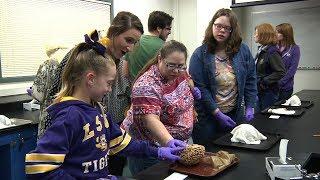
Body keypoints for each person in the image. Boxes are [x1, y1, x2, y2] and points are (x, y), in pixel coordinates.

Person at [25, 38, 184, 179]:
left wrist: (158, 151)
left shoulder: (98, 112)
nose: (110, 90)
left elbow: (123, 143)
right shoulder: (69, 116)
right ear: (91, 79)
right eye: (109, 83)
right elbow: (39, 169)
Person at [39, 11, 144, 176]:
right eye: (128, 40)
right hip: (75, 133)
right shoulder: (84, 56)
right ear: (114, 32)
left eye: (135, 43)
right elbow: (55, 96)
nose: (130, 48)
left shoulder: (121, 63)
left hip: (104, 133)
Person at [121, 40, 198, 176]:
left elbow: (185, 87)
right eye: (171, 65)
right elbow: (151, 119)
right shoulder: (147, 83)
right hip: (152, 150)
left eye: (181, 66)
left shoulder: (180, 72)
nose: (176, 70)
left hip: (174, 145)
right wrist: (169, 141)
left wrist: (192, 104)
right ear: (159, 59)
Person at [188, 8, 257, 146]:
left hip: (233, 114)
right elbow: (200, 88)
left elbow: (250, 79)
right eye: (218, 26)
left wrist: (250, 105)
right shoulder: (200, 54)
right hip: (207, 118)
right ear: (212, 26)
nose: (222, 30)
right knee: (208, 157)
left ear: (232, 31)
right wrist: (216, 112)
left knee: (232, 154)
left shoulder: (242, 50)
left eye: (227, 28)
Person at [122, 11, 173, 81]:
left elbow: (125, 72)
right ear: (159, 29)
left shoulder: (133, 42)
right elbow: (169, 76)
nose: (170, 32)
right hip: (154, 90)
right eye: (168, 29)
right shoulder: (166, 47)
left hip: (133, 88)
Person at [254, 23, 286, 110]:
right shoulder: (262, 50)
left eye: (256, 33)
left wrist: (263, 82)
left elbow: (280, 72)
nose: (254, 36)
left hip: (268, 92)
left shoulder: (272, 51)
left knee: (266, 118)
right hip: (260, 91)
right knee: (259, 116)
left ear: (263, 35)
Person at [276, 23, 300, 101]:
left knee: (281, 110)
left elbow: (292, 70)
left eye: (278, 32)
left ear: (286, 34)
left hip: (285, 87)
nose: (276, 34)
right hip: (272, 88)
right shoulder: (274, 47)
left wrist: (280, 82)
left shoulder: (295, 49)